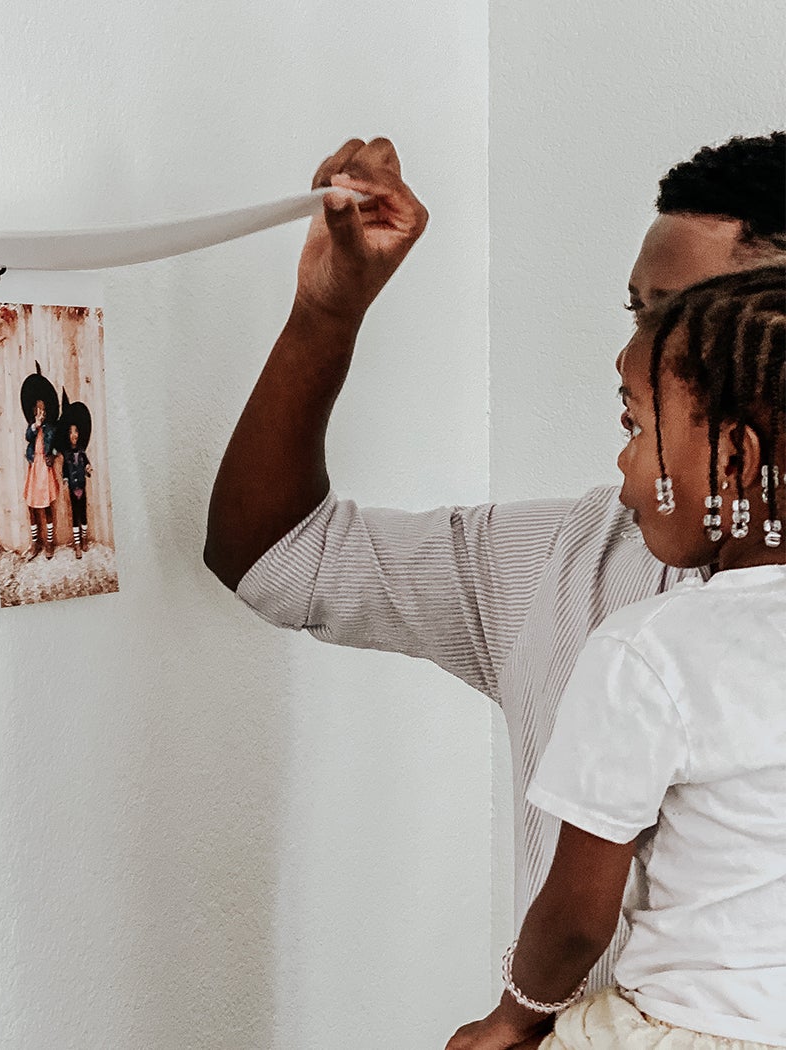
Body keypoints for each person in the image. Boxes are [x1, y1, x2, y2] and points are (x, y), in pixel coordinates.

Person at [204, 131, 786, 1000]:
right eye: (641, 313)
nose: (644, 353)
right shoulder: (575, 556)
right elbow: (275, 557)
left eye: (692, 316)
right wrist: (328, 314)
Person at [447, 265, 786, 1049]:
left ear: (733, 457)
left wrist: (511, 1018)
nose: (624, 469)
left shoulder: (652, 649)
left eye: (633, 427)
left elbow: (573, 918)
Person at [24, 399, 60, 559]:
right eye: (38, 410)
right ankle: (35, 542)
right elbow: (27, 437)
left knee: (46, 505)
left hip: (44, 469)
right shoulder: (32, 427)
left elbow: (57, 444)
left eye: (44, 411)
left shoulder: (51, 428)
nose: (41, 414)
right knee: (31, 506)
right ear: (34, 412)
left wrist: (52, 454)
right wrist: (35, 425)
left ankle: (50, 542)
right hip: (34, 468)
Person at [62, 423, 93, 559]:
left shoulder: (82, 452)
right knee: (75, 515)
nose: (73, 435)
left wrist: (88, 468)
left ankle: (84, 539)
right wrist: (65, 479)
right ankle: (77, 544)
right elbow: (64, 470)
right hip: (72, 489)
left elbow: (87, 464)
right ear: (67, 436)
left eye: (76, 432)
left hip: (82, 485)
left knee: (83, 513)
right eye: (70, 432)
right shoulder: (66, 453)